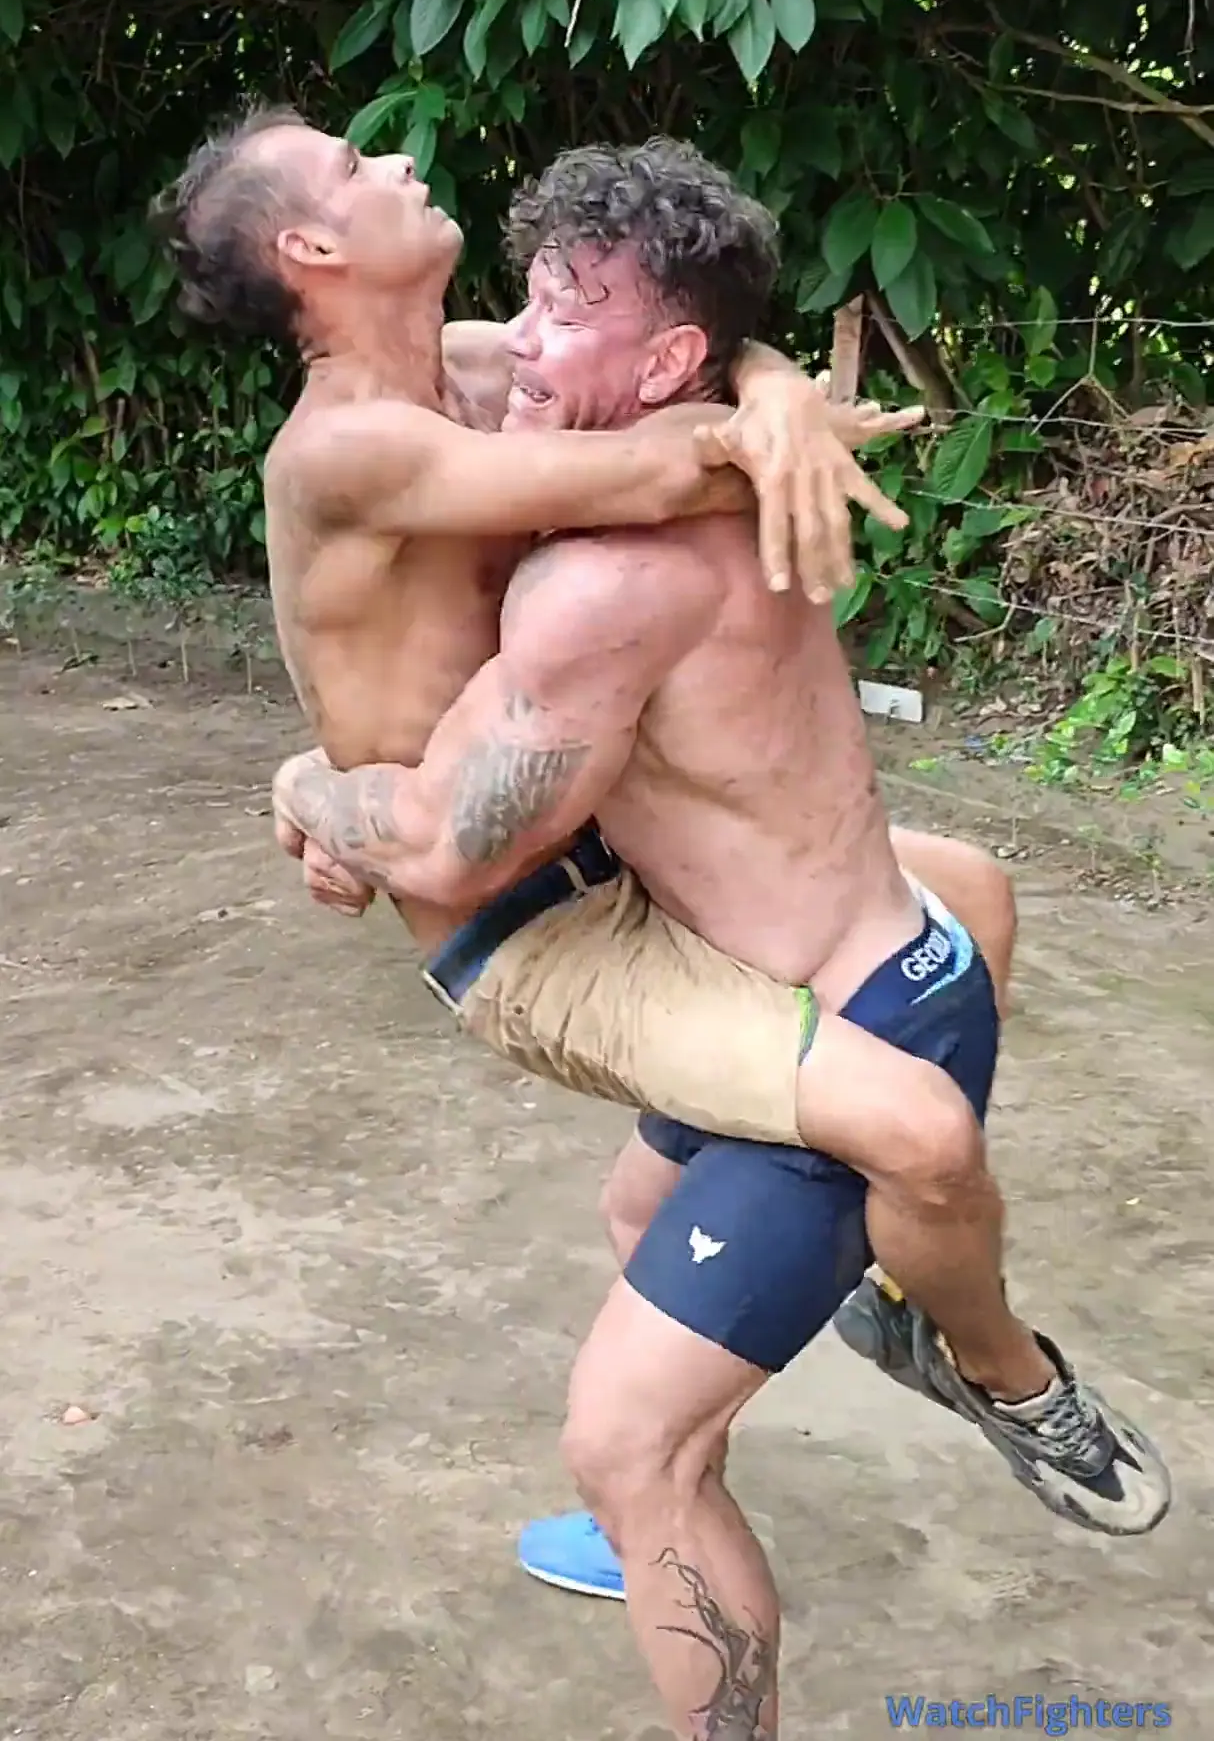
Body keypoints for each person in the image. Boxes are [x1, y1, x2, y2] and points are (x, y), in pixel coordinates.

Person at [153, 119, 1168, 1741]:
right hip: (517, 916)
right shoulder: (347, 449)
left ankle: (695, 1466)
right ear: (312, 253)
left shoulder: (475, 361)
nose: (395, 159)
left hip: (597, 852)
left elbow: (677, 354)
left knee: (941, 914)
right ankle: (879, 1413)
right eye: (350, 168)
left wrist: (764, 383)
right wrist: (309, 788)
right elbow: (643, 463)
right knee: (884, 1149)